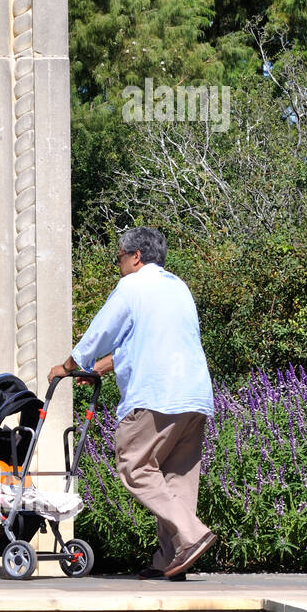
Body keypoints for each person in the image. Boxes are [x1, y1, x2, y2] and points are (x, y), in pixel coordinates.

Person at [47, 227, 216, 580]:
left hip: (157, 395)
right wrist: (98, 368)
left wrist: (68, 366)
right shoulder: (177, 287)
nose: (119, 265)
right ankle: (173, 559)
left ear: (135, 256)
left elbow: (101, 332)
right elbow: (147, 342)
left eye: (119, 258)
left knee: (134, 463)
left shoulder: (132, 287)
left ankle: (192, 533)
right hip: (195, 395)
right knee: (176, 477)